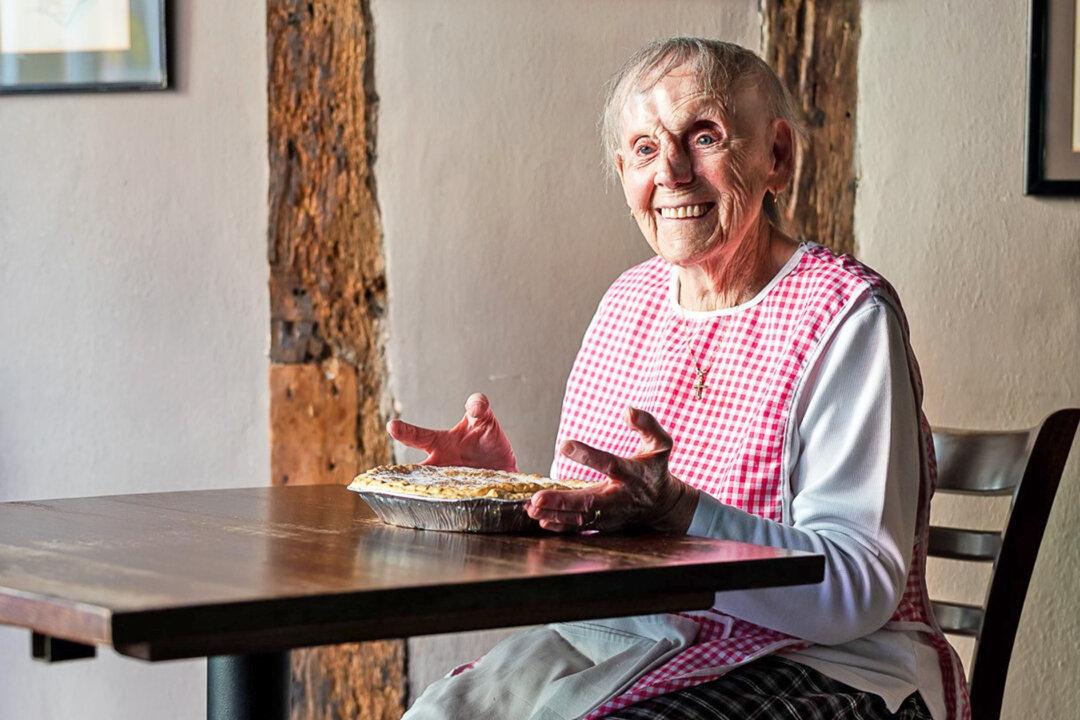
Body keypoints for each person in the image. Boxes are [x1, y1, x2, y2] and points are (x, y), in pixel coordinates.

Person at [391, 37, 970, 720]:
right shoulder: (627, 303)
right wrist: (507, 499)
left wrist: (682, 517)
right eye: (643, 148)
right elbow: (589, 544)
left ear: (776, 156)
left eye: (704, 136)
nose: (670, 171)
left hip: (826, 666)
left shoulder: (846, 315)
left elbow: (858, 591)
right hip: (632, 643)